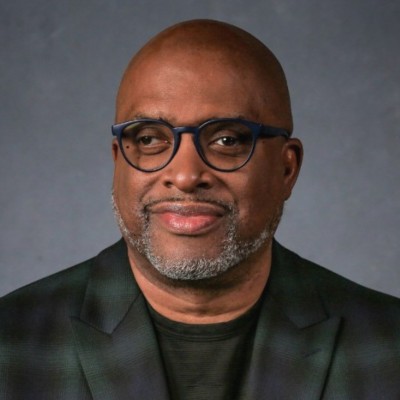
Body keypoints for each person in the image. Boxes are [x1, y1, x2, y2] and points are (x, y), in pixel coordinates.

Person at [0, 19, 399, 400]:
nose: (186, 175)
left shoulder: (388, 344)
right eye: (150, 138)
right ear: (119, 160)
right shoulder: (11, 342)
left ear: (286, 169)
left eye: (227, 140)